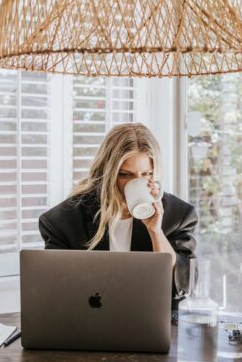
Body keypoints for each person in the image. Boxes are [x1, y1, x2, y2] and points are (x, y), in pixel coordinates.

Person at [38, 123, 198, 309]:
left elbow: (184, 288)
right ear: (106, 173)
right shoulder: (63, 221)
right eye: (125, 175)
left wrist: (155, 231)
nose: (136, 182)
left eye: (146, 174)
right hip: (88, 322)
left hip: (152, 321)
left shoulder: (178, 215)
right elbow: (57, 291)